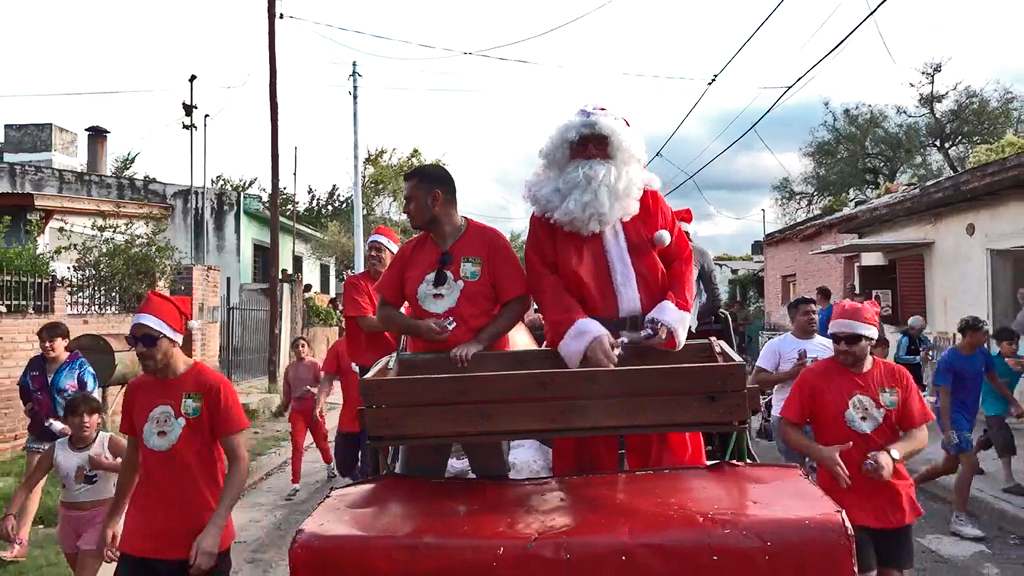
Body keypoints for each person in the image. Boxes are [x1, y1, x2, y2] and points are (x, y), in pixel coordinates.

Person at [524, 105, 706, 475]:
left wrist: (672, 316)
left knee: (671, 462)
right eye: (581, 144)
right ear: (565, 152)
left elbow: (682, 261)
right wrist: (582, 334)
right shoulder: (547, 218)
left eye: (600, 143)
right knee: (585, 469)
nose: (591, 152)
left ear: (618, 149)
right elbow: (544, 281)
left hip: (654, 349)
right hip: (587, 357)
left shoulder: (650, 201)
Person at [376, 164, 531, 479]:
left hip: (482, 382)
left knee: (492, 480)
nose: (404, 210)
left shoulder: (490, 243)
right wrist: (418, 328)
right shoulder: (408, 253)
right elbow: (384, 311)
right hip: (425, 384)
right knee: (419, 484)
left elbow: (519, 301)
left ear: (435, 199)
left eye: (409, 200)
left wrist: (479, 342)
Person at [779, 299, 932, 576]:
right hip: (840, 498)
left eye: (851, 340)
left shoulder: (897, 376)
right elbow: (788, 427)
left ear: (871, 340)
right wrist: (818, 452)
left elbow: (919, 433)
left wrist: (891, 455)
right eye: (836, 339)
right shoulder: (813, 377)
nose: (841, 347)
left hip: (891, 497)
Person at [101, 291, 250, 575]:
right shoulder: (136, 390)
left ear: (173, 338)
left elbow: (240, 461)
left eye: (149, 340)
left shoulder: (212, 386)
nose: (140, 349)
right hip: (141, 541)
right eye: (135, 341)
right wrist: (113, 518)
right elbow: (133, 460)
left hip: (197, 542)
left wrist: (215, 529)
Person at [913, 316, 1024, 540]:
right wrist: (946, 429)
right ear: (970, 335)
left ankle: (906, 485)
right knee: (970, 463)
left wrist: (1013, 402)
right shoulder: (949, 359)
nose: (986, 338)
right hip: (952, 417)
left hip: (968, 416)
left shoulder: (982, 354)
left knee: (949, 466)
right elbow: (943, 396)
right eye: (983, 334)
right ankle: (959, 518)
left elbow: (994, 380)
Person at [3, 321, 99, 562]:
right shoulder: (35, 365)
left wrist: (78, 427)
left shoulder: (80, 367)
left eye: (51, 340)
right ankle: (20, 544)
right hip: (41, 432)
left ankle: (92, 538)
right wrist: (28, 405)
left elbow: (91, 400)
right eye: (42, 341)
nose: (46, 345)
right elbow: (25, 387)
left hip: (75, 435)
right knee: (32, 485)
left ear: (65, 341)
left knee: (83, 485)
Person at [2, 392, 125, 576]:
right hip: (69, 520)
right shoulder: (57, 449)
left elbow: (139, 466)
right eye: (77, 415)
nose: (84, 420)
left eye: (90, 414)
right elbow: (28, 485)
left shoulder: (109, 442)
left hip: (100, 518)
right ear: (65, 420)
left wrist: (106, 465)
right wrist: (10, 515)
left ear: (99, 418)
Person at [750, 296, 834, 468]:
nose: (812, 317)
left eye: (814, 313)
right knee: (795, 470)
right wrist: (791, 373)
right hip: (787, 418)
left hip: (822, 418)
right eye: (806, 314)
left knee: (823, 469)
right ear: (792, 319)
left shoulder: (830, 345)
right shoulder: (777, 345)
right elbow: (756, 380)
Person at [275, 337, 336, 501]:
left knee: (321, 442)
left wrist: (314, 391)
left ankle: (330, 465)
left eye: (303, 346)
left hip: (314, 410)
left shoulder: (315, 365)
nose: (300, 349)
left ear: (308, 348)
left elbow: (327, 386)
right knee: (297, 444)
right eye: (296, 346)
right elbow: (287, 395)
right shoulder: (290, 369)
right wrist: (281, 409)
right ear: (292, 350)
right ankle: (295, 482)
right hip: (297, 411)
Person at [343, 226, 401, 376]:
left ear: (393, 256)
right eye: (370, 249)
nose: (372, 254)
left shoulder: (403, 283)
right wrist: (410, 325)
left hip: (402, 359)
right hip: (373, 364)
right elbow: (367, 323)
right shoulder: (355, 283)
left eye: (379, 250)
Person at [974, 327, 1024, 496]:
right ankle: (1008, 481)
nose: (1014, 347)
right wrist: (1015, 404)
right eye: (1009, 344)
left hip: (1004, 406)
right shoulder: (990, 363)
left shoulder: (1018, 361)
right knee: (1003, 437)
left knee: (991, 437)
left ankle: (968, 458)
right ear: (998, 345)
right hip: (991, 405)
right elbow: (997, 384)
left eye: (1016, 344)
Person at [319, 337, 369, 480]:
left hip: (374, 416)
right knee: (344, 465)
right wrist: (320, 402)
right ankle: (359, 484)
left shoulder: (383, 342)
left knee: (370, 469)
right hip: (349, 417)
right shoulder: (340, 346)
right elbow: (327, 378)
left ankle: (364, 491)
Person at [674, 208, 722, 336]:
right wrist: (694, 316)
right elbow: (715, 302)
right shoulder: (699, 253)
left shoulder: (653, 251)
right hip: (686, 328)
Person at [894, 316, 931, 393]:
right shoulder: (904, 339)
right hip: (906, 373)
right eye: (919, 331)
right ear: (912, 329)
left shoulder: (919, 337)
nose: (921, 333)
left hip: (917, 372)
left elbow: (928, 343)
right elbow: (899, 357)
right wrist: (918, 358)